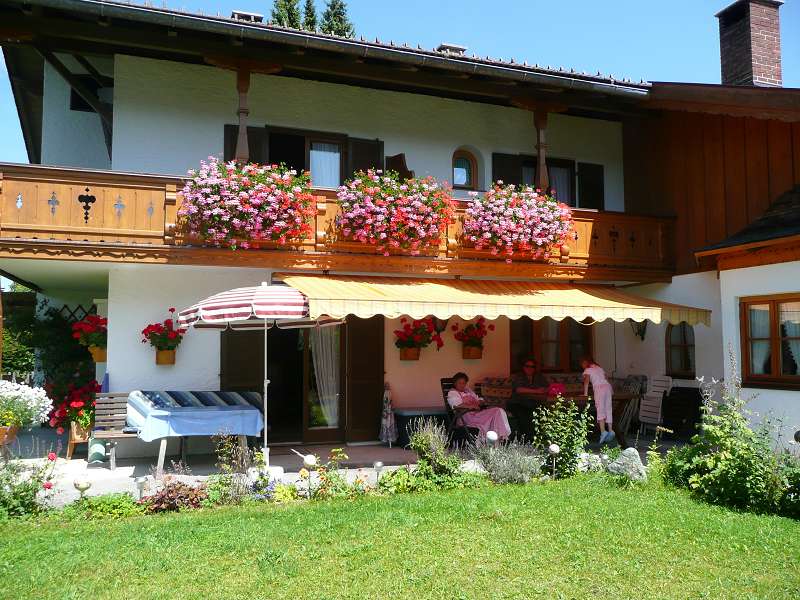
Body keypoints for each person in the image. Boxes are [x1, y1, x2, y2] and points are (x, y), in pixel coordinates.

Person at [447, 372, 511, 441]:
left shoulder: (468, 391)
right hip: (466, 416)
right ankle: (497, 438)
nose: (462, 385)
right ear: (455, 383)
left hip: (477, 414)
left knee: (497, 411)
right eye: (460, 383)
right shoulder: (453, 393)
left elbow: (478, 399)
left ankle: (499, 437)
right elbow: (457, 405)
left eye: (464, 383)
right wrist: (471, 406)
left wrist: (480, 401)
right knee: (497, 411)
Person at [508, 357, 549, 440]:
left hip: (534, 402)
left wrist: (541, 391)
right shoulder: (518, 376)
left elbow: (546, 387)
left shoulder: (539, 377)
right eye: (527, 366)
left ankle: (539, 438)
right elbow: (519, 389)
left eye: (532, 367)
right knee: (524, 415)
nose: (530, 368)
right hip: (517, 402)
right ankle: (526, 439)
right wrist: (537, 391)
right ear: (523, 367)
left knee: (541, 412)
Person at [581, 355, 615, 444]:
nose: (582, 366)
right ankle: (611, 430)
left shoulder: (588, 370)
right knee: (608, 409)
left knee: (600, 409)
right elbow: (606, 379)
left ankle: (603, 431)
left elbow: (586, 382)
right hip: (607, 387)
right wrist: (612, 390)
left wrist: (585, 394)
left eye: (582, 364)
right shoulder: (599, 368)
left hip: (599, 389)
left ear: (585, 363)